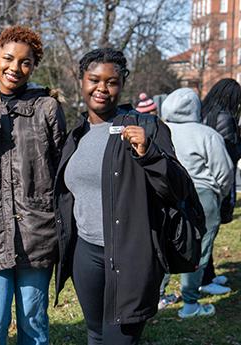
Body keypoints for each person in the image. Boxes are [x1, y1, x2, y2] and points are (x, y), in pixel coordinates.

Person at [54, 48, 193, 345]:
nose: (102, 88)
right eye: (94, 79)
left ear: (122, 85)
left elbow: (179, 189)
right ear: (81, 81)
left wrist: (150, 155)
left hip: (132, 257)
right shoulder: (77, 134)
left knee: (120, 340)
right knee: (95, 334)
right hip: (86, 253)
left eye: (111, 82)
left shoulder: (146, 127)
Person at [0, 26, 66, 345]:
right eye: (8, 59)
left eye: (25, 62)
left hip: (36, 230)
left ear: (33, 66)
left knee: (33, 320)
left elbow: (61, 165)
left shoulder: (47, 107)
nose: (15, 68)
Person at [161, 88, 234, 318]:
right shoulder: (207, 134)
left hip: (167, 195)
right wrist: (219, 195)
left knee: (165, 246)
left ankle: (159, 296)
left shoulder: (159, 131)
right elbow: (225, 171)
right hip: (203, 195)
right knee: (198, 249)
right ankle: (190, 304)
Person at [199, 78, 241, 295]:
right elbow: (229, 153)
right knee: (209, 232)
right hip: (215, 181)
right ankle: (204, 279)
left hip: (203, 178)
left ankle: (209, 274)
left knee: (206, 232)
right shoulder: (224, 117)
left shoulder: (204, 111)